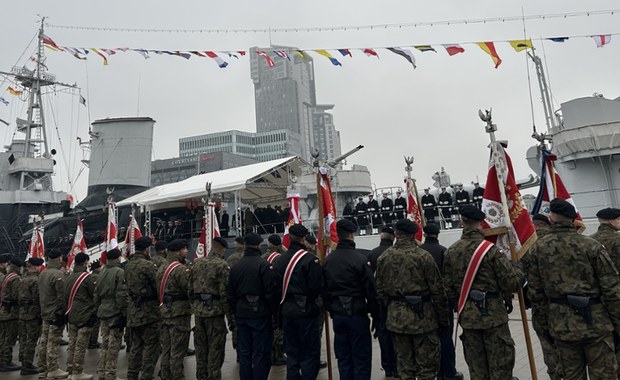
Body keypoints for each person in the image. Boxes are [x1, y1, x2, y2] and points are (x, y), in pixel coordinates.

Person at [529, 199, 620, 379]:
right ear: (573, 219)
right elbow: (612, 290)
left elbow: (536, 293)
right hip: (596, 324)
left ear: (551, 217)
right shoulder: (591, 246)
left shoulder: (538, 248)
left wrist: (543, 328)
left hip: (561, 325)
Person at [443, 205, 524, 380]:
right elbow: (511, 283)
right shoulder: (492, 251)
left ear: (462, 221)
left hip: (468, 317)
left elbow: (448, 289)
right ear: (481, 223)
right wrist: (518, 267)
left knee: (477, 369)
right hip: (493, 317)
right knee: (500, 368)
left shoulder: (451, 252)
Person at [377, 220, 450, 380]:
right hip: (423, 319)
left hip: (397, 320)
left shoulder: (384, 257)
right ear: (413, 234)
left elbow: (380, 291)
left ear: (396, 234)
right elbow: (438, 291)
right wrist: (443, 320)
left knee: (405, 368)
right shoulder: (423, 256)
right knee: (428, 369)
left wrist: (392, 308)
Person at [322, 219, 379, 380]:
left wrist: (332, 309)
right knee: (361, 357)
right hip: (357, 313)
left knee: (344, 357)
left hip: (338, 315)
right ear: (352, 235)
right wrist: (376, 315)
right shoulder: (360, 259)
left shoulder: (328, 261)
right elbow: (371, 291)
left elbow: (323, 289)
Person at [274, 224, 323, 379]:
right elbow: (316, 287)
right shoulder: (310, 260)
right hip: (306, 312)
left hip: (287, 312)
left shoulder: (280, 260)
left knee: (292, 354)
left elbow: (275, 287)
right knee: (309, 353)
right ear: (303, 239)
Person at [227, 233, 278, 380]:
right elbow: (270, 292)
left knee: (245, 353)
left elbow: (230, 293)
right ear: (257, 246)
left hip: (242, 314)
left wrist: (235, 312)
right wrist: (273, 313)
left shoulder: (236, 266)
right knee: (261, 352)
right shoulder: (263, 265)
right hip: (260, 314)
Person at [420, 224, 464, 380]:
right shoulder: (444, 251)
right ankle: (449, 371)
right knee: (445, 336)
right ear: (437, 234)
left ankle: (435, 371)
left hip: (423, 303)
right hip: (443, 301)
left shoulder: (419, 252)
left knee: (428, 339)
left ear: (424, 234)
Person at [190, 237, 233, 380]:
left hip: (199, 313)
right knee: (216, 350)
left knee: (201, 350)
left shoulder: (196, 264)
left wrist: (195, 306)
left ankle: (201, 377)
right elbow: (225, 294)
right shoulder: (222, 265)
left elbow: (190, 290)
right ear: (222, 248)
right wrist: (230, 318)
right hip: (215, 314)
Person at [525, 213, 561, 380]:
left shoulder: (526, 246)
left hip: (539, 307)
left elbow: (520, 278)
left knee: (547, 345)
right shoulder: (560, 242)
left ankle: (554, 375)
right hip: (564, 307)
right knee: (566, 345)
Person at [125, 236, 160, 380]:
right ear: (146, 249)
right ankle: (146, 375)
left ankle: (132, 374)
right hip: (149, 311)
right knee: (151, 345)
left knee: (136, 345)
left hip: (134, 310)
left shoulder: (128, 265)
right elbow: (157, 287)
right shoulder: (148, 265)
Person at [156, 239, 192, 380]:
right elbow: (188, 289)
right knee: (178, 350)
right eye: (185, 249)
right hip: (180, 313)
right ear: (178, 251)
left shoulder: (162, 268)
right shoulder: (180, 269)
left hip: (166, 312)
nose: (187, 251)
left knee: (167, 349)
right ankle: (177, 377)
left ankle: (165, 375)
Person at [367, 227, 397, 377]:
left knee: (383, 334)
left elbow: (369, 281)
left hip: (378, 301)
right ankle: (398, 366)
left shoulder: (371, 254)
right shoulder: (396, 254)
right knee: (397, 334)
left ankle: (388, 366)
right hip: (395, 301)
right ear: (393, 237)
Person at [95, 248, 128, 380]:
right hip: (115, 312)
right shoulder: (119, 272)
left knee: (105, 344)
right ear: (117, 258)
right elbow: (121, 295)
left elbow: (96, 295)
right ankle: (110, 374)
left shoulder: (101, 273)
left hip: (103, 311)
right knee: (113, 346)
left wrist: (100, 308)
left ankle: (102, 372)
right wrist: (124, 313)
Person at [38, 249, 70, 379]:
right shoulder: (58, 274)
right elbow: (61, 297)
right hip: (55, 313)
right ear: (59, 259)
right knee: (53, 342)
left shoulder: (43, 273)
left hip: (45, 311)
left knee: (44, 341)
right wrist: (62, 312)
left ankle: (42, 368)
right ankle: (53, 368)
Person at [64, 252, 97, 380]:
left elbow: (65, 297)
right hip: (85, 315)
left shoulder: (69, 277)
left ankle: (70, 369)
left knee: (72, 344)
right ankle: (77, 372)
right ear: (85, 262)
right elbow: (93, 294)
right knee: (81, 345)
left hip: (71, 314)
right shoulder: (86, 278)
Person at [263, 234, 286, 366]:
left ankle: (270, 353)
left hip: (265, 297)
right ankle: (277, 355)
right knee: (277, 328)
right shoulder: (279, 259)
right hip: (277, 297)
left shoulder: (262, 257)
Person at [17, 257, 43, 375]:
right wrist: (40, 314)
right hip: (32, 313)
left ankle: (23, 361)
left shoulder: (22, 278)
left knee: (23, 338)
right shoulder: (35, 280)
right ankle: (27, 364)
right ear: (35, 266)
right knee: (31, 340)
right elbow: (38, 299)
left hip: (22, 312)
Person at [0, 256, 22, 373]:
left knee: (2, 338)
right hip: (11, 313)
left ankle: (2, 360)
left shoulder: (6, 276)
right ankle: (6, 362)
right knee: (9, 339)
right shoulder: (15, 278)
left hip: (3, 311)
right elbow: (16, 296)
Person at [88, 260, 103, 350]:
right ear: (97, 268)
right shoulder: (97, 277)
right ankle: (93, 342)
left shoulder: (89, 277)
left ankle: (91, 341)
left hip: (90, 304)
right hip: (95, 304)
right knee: (96, 324)